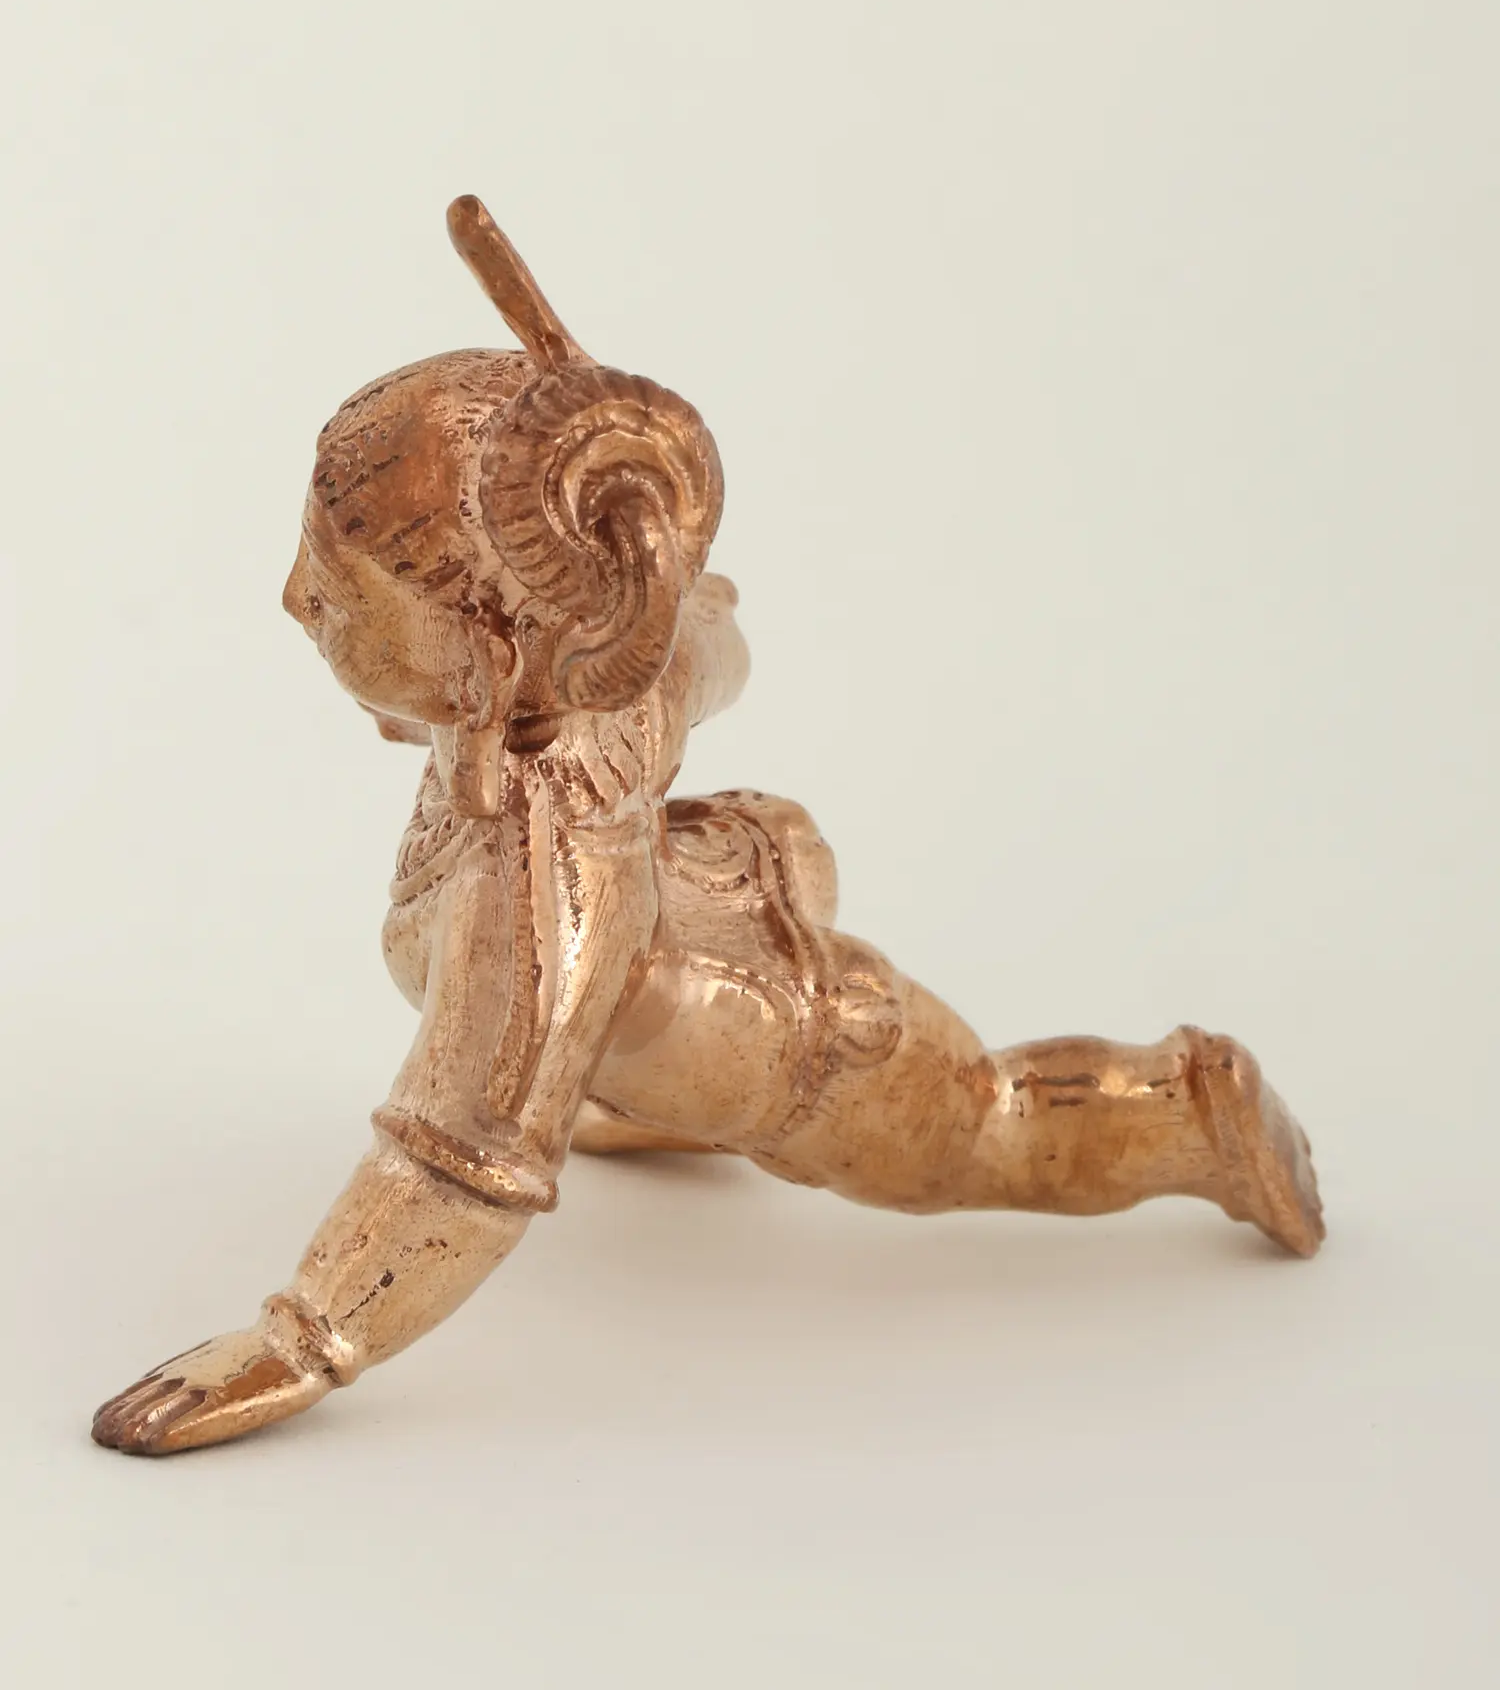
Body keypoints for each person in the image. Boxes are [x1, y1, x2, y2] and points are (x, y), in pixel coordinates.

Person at [93, 199, 1323, 1456]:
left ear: (489, 659)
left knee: (982, 1125)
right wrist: (667, 592)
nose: (291, 596)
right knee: (603, 1052)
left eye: (337, 596)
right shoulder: (583, 681)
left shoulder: (542, 873)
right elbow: (707, 640)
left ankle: (1192, 1107)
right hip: (686, 958)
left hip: (797, 1043)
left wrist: (300, 1343)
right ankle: (633, 1095)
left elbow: (462, 1158)